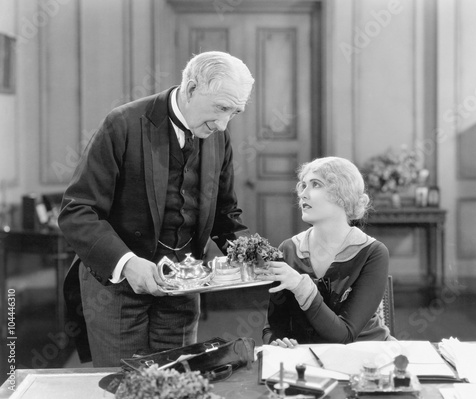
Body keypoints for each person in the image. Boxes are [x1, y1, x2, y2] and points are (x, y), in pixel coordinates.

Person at [59, 51, 254, 366]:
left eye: (235, 112)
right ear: (191, 88)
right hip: (116, 288)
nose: (223, 123)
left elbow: (225, 217)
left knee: (179, 380)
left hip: (182, 288)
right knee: (126, 384)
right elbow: (77, 211)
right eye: (220, 108)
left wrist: (254, 254)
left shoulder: (219, 138)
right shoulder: (122, 123)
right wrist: (128, 263)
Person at [256, 156, 392, 347]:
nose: (303, 194)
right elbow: (274, 326)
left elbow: (344, 336)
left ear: (343, 194)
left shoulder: (373, 253)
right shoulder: (288, 249)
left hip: (365, 359)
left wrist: (300, 286)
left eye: (316, 185)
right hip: (308, 361)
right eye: (303, 185)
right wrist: (278, 342)